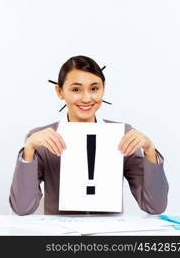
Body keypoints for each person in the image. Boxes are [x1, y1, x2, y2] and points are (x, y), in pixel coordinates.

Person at [9, 55, 168, 215]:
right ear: (59, 91)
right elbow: (22, 208)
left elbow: (154, 206)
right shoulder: (43, 138)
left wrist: (150, 150)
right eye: (76, 89)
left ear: (103, 88)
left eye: (94, 89)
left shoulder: (122, 135)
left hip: (108, 235)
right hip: (62, 236)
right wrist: (28, 150)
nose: (86, 98)